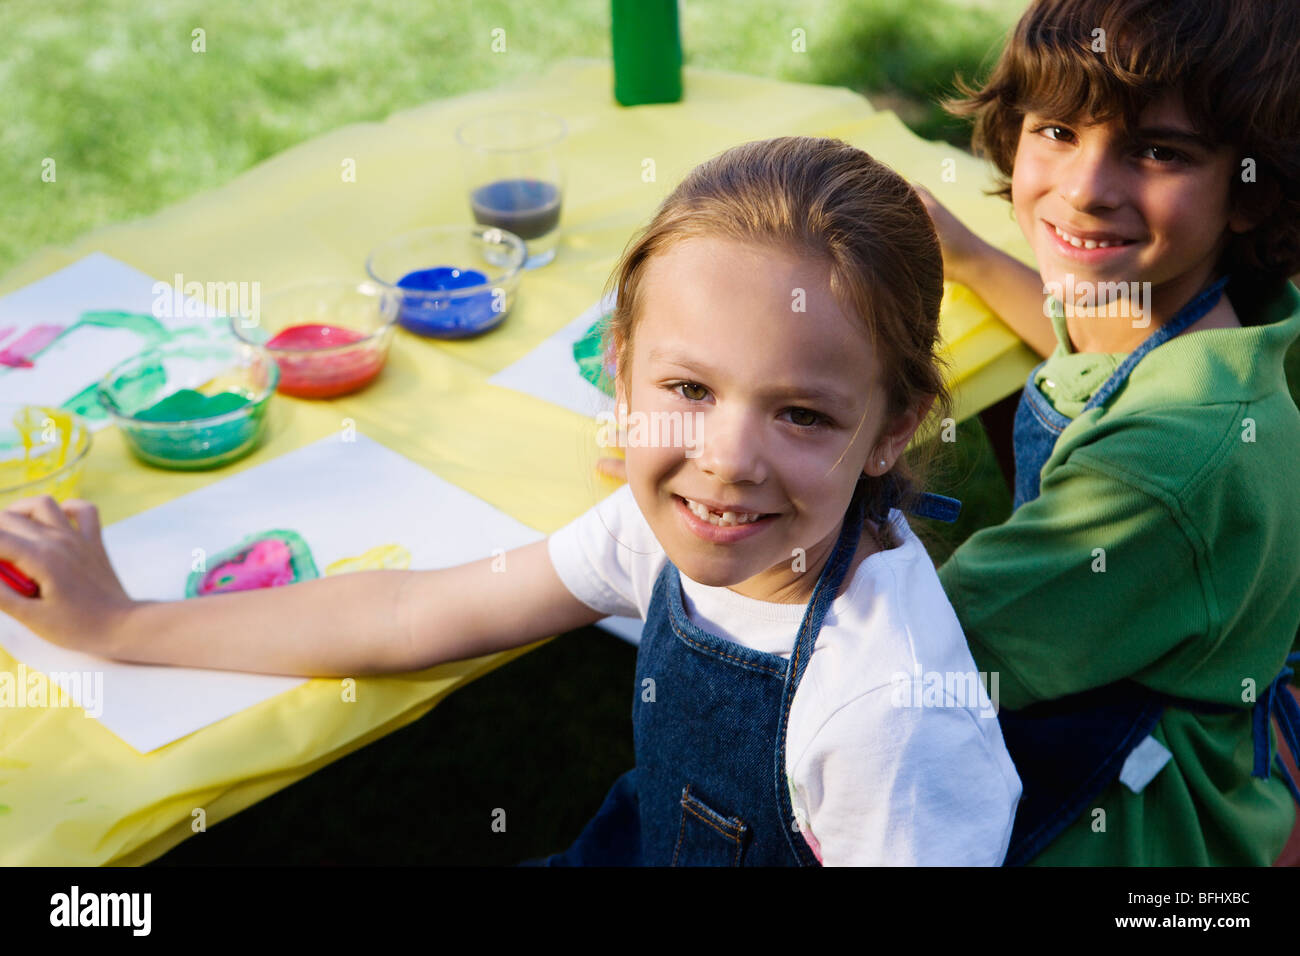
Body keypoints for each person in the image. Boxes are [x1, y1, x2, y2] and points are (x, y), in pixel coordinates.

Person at [0, 137, 1020, 866]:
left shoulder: (880, 707)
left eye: (799, 413)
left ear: (893, 425)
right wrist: (121, 621)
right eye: (687, 389)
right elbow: (407, 612)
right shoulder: (651, 530)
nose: (726, 459)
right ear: (618, 375)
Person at [911, 0, 1300, 864]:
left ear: (1251, 193)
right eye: (1055, 130)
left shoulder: (1167, 460)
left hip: (1128, 813)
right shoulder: (1201, 323)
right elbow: (1082, 341)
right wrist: (968, 255)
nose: (1085, 188)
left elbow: (928, 644)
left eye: (1158, 151)